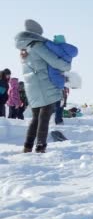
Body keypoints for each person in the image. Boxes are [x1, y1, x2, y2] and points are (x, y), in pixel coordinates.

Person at [16, 19, 72, 153]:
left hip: (32, 88)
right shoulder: (37, 46)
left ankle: (27, 146)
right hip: (44, 87)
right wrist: (67, 66)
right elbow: (55, 62)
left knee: (36, 117)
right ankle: (41, 146)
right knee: (44, 116)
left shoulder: (24, 48)